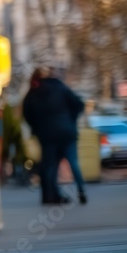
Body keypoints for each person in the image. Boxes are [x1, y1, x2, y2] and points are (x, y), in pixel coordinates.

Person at [22, 67, 86, 205]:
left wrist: (36, 128)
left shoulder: (33, 93)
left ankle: (50, 196)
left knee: (50, 166)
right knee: (73, 163)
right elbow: (79, 104)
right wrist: (71, 120)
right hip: (67, 132)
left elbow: (26, 114)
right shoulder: (59, 87)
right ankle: (81, 192)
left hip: (47, 135)